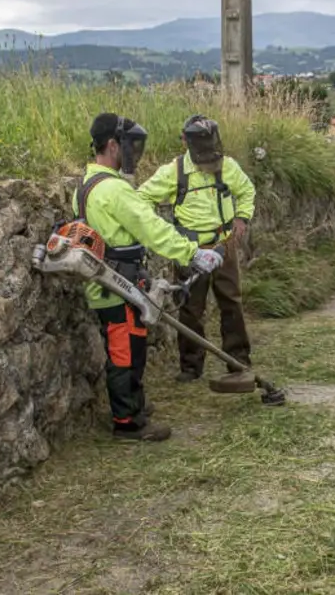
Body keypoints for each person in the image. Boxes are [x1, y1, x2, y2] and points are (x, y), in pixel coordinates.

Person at [73, 112, 224, 442]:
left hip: (110, 282)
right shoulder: (114, 189)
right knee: (125, 353)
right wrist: (192, 254)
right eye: (130, 146)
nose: (135, 153)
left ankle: (134, 403)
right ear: (113, 146)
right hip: (117, 284)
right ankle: (128, 422)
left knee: (131, 346)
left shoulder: (86, 185)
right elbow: (152, 228)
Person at [136, 114, 257, 382]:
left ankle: (239, 361)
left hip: (224, 245)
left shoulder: (228, 167)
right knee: (190, 309)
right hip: (189, 250)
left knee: (231, 302)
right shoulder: (174, 172)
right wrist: (161, 230)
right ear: (186, 143)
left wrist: (242, 218)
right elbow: (141, 198)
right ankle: (191, 367)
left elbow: (247, 191)